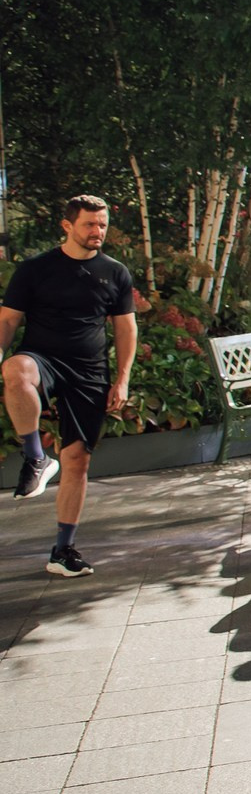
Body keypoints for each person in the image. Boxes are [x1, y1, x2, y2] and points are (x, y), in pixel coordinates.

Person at [2, 195, 138, 577]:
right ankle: (35, 456)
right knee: (14, 370)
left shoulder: (115, 272)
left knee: (77, 460)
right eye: (89, 225)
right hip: (42, 359)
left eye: (102, 225)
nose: (97, 232)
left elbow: (125, 329)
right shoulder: (34, 270)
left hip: (88, 371)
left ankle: (63, 551)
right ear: (67, 226)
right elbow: (9, 320)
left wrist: (122, 378)